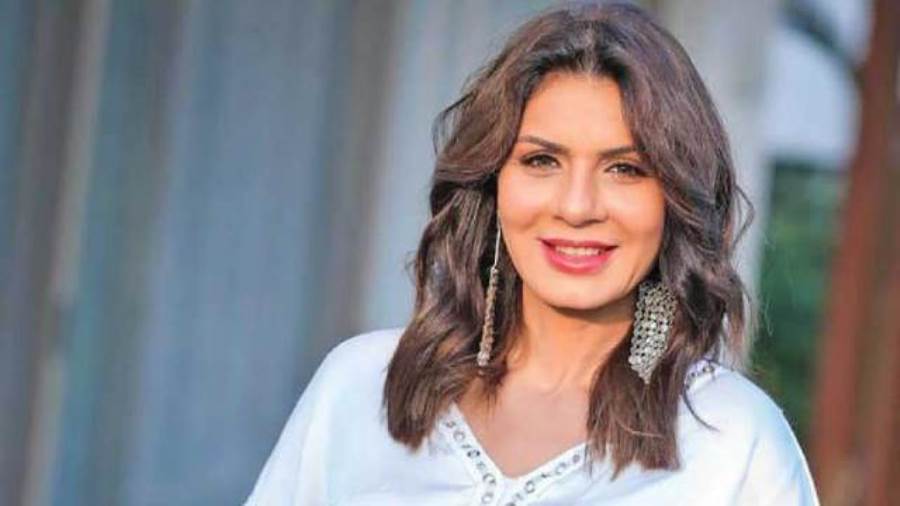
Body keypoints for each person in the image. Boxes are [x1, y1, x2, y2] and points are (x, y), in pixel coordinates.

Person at [245, 2, 820, 505]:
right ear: (492, 181)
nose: (576, 206)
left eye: (625, 168)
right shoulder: (360, 387)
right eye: (542, 161)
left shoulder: (733, 443)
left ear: (675, 199)